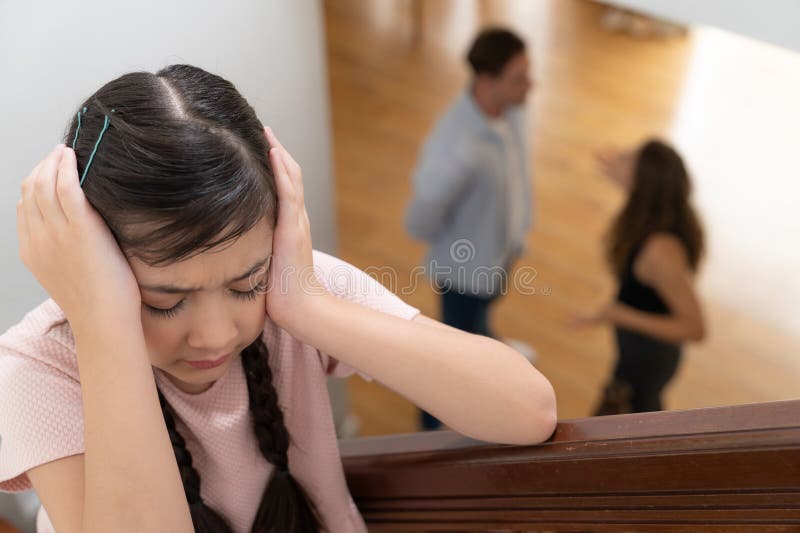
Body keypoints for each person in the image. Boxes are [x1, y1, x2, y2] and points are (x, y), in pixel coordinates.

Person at [0, 65, 557, 533]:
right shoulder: (39, 367)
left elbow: (528, 412)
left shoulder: (288, 285)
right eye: (164, 300)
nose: (217, 335)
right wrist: (104, 323)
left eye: (245, 284)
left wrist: (305, 306)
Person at [405, 28, 535, 429]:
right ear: (486, 82)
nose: (531, 86)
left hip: (501, 251)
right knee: (451, 353)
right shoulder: (456, 151)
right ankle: (432, 425)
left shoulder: (512, 112)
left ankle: (487, 336)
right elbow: (419, 218)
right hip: (465, 272)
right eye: (519, 79)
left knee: (481, 316)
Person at [573, 140, 706, 415]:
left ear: (642, 183)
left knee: (626, 419)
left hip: (649, 357)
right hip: (637, 346)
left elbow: (695, 328)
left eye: (627, 159)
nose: (618, 158)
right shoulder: (651, 217)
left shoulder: (660, 250)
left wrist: (620, 315)